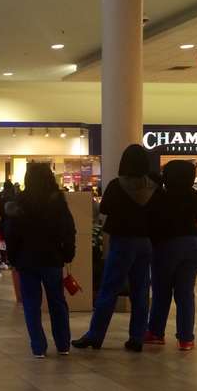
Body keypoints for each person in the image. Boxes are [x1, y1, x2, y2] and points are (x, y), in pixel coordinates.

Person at [73, 144, 160, 352]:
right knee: (140, 291)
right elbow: (158, 215)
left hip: (122, 241)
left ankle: (95, 335)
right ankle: (137, 337)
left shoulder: (116, 185)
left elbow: (104, 208)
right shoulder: (154, 188)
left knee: (109, 288)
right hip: (145, 242)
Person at [6, 163, 76, 357]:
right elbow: (68, 229)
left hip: (26, 260)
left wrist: (13, 257)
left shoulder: (21, 201)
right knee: (57, 301)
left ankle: (38, 347)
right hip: (52, 258)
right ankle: (63, 345)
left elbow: (11, 232)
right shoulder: (57, 200)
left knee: (31, 304)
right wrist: (68, 253)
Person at [144, 161, 197, 351]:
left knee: (162, 292)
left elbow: (153, 220)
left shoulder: (161, 197)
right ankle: (186, 338)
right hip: (193, 246)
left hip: (167, 245)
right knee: (185, 294)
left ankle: (156, 332)